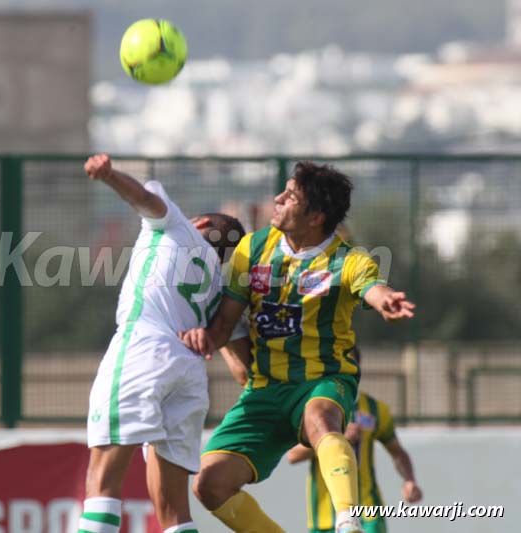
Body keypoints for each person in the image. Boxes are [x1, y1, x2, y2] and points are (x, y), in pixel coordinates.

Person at [180, 161, 416, 533]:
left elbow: (371, 286)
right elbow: (224, 325)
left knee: (320, 419)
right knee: (209, 485)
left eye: (290, 196)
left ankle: (348, 521)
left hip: (322, 379)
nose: (277, 199)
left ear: (316, 216)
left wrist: (384, 299)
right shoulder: (253, 247)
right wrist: (203, 337)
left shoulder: (348, 260)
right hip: (265, 390)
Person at [78, 153, 250, 533]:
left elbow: (142, 197)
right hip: (189, 374)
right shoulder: (222, 287)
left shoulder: (176, 227)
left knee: (102, 481)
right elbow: (242, 369)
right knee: (173, 509)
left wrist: (109, 175)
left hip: (144, 348)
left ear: (200, 223)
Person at [287, 347, 423, 533]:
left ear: (356, 369)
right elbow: (292, 456)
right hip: (324, 518)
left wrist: (409, 479)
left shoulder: (376, 409)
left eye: (347, 364)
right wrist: (334, 439)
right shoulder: (311, 408)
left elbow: (397, 451)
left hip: (368, 513)